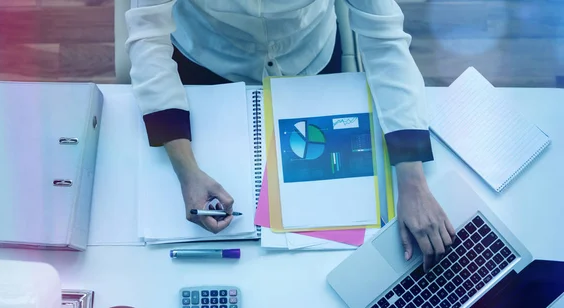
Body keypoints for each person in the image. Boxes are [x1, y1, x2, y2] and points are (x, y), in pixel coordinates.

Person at [125, 0, 455, 271]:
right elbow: (147, 37)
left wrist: (413, 182)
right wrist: (187, 169)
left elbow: (386, 42)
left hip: (311, 56)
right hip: (209, 62)